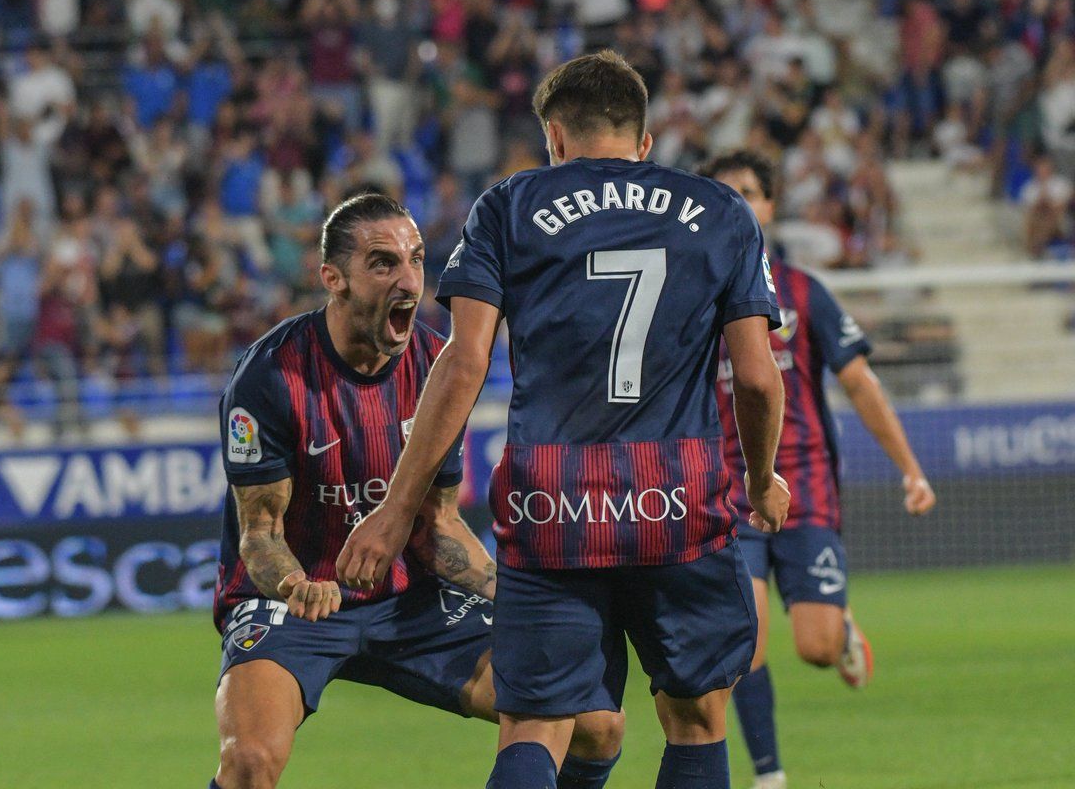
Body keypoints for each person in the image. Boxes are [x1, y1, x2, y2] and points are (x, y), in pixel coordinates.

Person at [338, 52, 790, 789]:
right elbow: (760, 380)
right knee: (698, 719)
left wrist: (396, 509)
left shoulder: (508, 207)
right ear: (645, 143)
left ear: (554, 136)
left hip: (554, 504)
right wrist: (764, 478)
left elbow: (463, 362)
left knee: (537, 723)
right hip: (678, 499)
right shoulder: (721, 212)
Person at [209, 193, 623, 789]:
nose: (409, 281)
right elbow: (260, 535)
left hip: (412, 603)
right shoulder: (271, 374)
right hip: (295, 605)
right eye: (383, 263)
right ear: (334, 279)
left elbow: (439, 523)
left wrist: (516, 598)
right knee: (249, 762)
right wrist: (298, 585)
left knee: (595, 723)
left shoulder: (438, 365)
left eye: (417, 260)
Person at [701, 150, 937, 789]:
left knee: (815, 647)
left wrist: (910, 468)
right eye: (725, 193)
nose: (739, 202)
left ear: (771, 205)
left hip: (805, 490)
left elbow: (859, 383)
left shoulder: (803, 292)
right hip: (732, 493)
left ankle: (840, 627)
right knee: (743, 642)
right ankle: (770, 776)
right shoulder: (689, 301)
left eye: (750, 191)